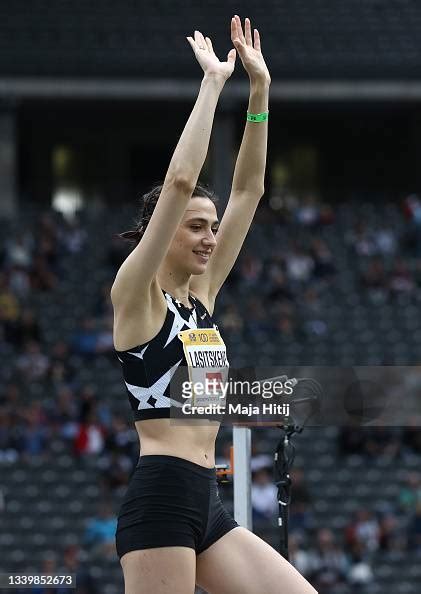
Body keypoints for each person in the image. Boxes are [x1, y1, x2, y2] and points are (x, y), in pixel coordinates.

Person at [111, 15, 318, 594]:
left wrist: (260, 92)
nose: (209, 237)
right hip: (161, 498)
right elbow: (180, 182)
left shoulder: (201, 297)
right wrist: (212, 84)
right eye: (196, 227)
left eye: (212, 227)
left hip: (208, 501)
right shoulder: (136, 298)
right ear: (164, 230)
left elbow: (249, 190)